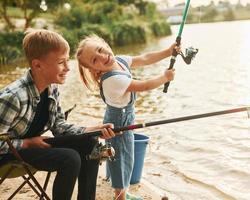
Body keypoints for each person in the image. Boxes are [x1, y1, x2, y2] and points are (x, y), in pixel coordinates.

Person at [0, 29, 115, 200]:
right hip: (7, 154)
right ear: (38, 65)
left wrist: (93, 129)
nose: (68, 68)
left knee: (90, 142)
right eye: (61, 62)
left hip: (32, 146)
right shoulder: (13, 98)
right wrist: (27, 143)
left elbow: (59, 126)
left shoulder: (51, 87)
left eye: (67, 61)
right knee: (70, 158)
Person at [75, 34, 179, 200]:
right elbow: (143, 86)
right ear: (95, 70)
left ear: (105, 44)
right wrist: (164, 77)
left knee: (128, 158)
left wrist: (168, 51)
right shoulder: (112, 80)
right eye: (95, 60)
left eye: (101, 50)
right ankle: (120, 196)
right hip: (116, 123)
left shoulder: (119, 61)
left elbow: (144, 58)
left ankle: (123, 192)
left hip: (126, 118)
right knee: (120, 160)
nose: (103, 56)